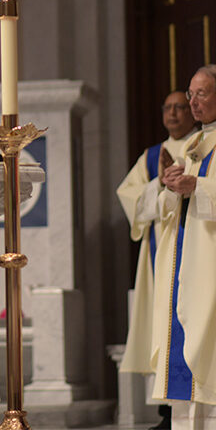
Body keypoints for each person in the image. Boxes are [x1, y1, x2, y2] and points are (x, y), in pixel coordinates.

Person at [117, 91, 197, 377]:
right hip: (160, 247)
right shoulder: (151, 156)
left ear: (193, 111)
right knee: (163, 319)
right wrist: (159, 183)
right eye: (168, 108)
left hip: (196, 243)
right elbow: (129, 198)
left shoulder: (201, 146)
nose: (173, 113)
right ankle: (167, 409)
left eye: (181, 107)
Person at [152, 65, 216, 409]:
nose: (192, 102)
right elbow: (168, 209)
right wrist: (172, 186)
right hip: (185, 264)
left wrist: (199, 187)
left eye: (201, 93)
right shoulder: (193, 144)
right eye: (190, 94)